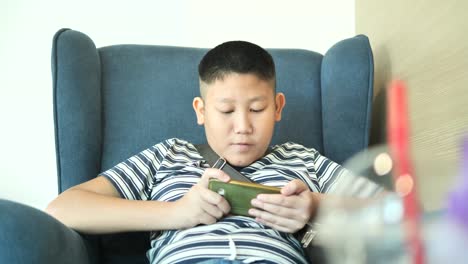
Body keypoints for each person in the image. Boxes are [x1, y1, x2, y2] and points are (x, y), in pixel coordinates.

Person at [46, 40, 379, 264]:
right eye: (226, 111)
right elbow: (63, 208)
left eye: (257, 109)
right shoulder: (168, 155)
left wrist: (314, 206)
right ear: (201, 111)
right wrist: (175, 213)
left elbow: (396, 211)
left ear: (278, 107)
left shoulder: (303, 159)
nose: (243, 127)